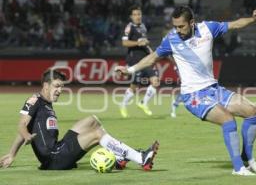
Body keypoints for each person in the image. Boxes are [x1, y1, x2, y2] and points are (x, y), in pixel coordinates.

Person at [115, 6, 256, 176]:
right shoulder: (171, 39)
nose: (177, 30)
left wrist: (254, 19)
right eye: (175, 26)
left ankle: (248, 160)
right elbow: (151, 58)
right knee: (228, 120)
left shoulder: (208, 28)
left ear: (192, 22)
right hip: (193, 96)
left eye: (181, 26)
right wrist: (129, 70)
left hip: (213, 89)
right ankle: (238, 168)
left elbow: (235, 25)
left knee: (252, 112)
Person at [0, 69, 159, 170]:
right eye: (56, 86)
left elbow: (28, 128)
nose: (60, 90)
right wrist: (25, 138)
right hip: (54, 159)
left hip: (58, 149)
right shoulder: (34, 100)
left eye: (62, 86)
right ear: (46, 85)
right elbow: (22, 125)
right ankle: (140, 159)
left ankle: (119, 157)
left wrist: (12, 154)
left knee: (92, 120)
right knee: (97, 134)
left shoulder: (46, 104)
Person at [120, 5, 159, 118]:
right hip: (135, 61)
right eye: (135, 15)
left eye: (139, 14)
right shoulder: (129, 27)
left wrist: (151, 52)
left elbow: (144, 42)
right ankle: (123, 105)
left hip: (146, 59)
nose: (138, 17)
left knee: (155, 81)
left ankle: (143, 103)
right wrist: (138, 43)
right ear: (131, 16)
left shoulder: (143, 27)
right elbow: (124, 43)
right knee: (134, 88)